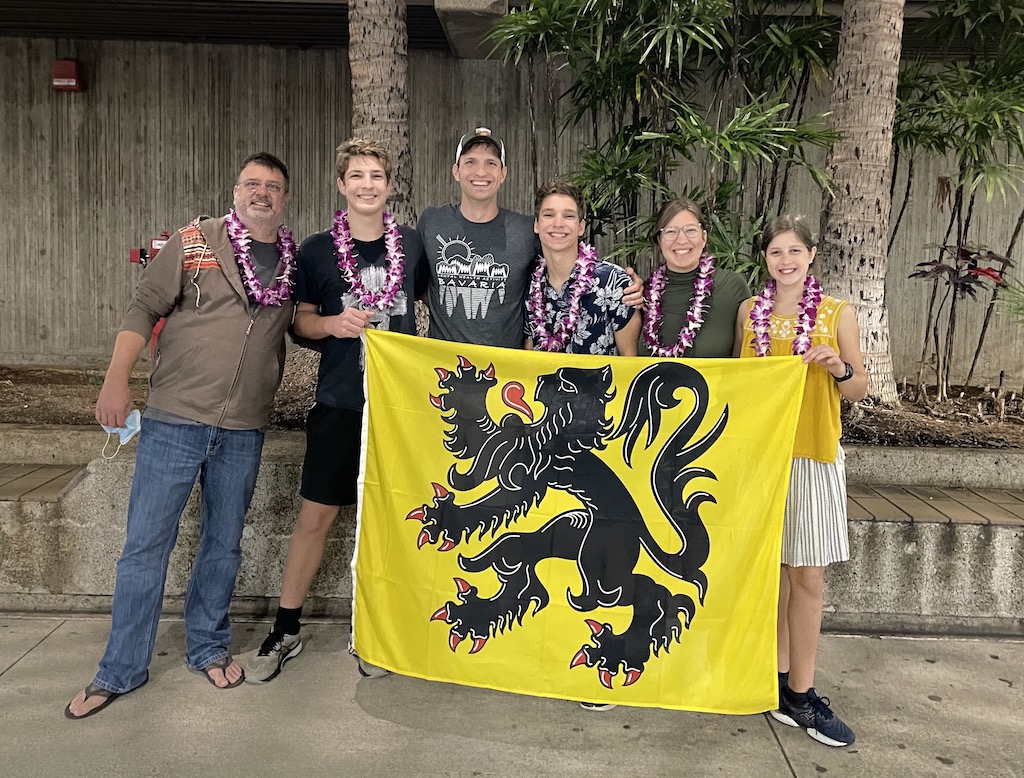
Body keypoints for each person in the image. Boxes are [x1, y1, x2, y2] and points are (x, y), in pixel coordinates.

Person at [65, 152, 297, 719]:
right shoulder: (196, 240)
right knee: (145, 546)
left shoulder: (295, 261)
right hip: (174, 419)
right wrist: (115, 381)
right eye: (252, 183)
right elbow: (143, 307)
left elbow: (303, 323)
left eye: (273, 186)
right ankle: (119, 669)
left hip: (243, 427)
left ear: (285, 199)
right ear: (235, 189)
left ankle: (208, 648)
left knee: (224, 544)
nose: (261, 193)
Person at [241, 138, 427, 684]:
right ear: (341, 185)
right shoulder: (319, 250)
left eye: (377, 175)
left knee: (391, 522)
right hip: (340, 401)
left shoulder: (413, 246)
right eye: (357, 176)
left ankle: (379, 633)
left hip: (397, 409)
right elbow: (299, 322)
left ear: (389, 186)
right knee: (315, 518)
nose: (368, 184)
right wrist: (334, 324)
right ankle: (286, 627)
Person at [735, 215, 868, 747]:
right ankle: (778, 680)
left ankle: (803, 693)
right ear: (764, 260)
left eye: (794, 251)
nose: (785, 261)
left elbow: (859, 388)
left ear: (811, 255)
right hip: (761, 458)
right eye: (775, 253)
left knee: (808, 574)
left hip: (813, 454)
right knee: (776, 575)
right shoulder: (750, 313)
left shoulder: (838, 312)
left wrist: (837, 367)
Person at [418, 128, 643, 349]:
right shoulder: (432, 222)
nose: (480, 172)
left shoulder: (525, 230)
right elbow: (418, 284)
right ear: (455, 171)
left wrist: (626, 285)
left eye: (491, 163)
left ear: (503, 173)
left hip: (505, 372)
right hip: (444, 367)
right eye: (470, 162)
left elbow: (568, 262)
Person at [524, 180, 639, 355]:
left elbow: (630, 362)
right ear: (536, 225)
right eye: (549, 215)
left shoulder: (614, 282)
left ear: (581, 227)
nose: (558, 223)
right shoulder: (529, 286)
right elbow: (527, 359)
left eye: (568, 216)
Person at [640, 198, 749, 358]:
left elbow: (755, 352)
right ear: (659, 240)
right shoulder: (642, 295)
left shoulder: (732, 287)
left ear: (704, 237)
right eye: (670, 231)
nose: (682, 240)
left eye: (690, 230)